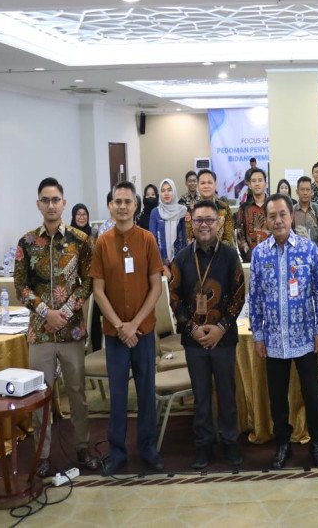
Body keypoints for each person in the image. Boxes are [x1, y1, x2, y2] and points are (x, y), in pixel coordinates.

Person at [13, 177, 100, 478]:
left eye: (56, 200)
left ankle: (83, 448)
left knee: (77, 392)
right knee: (41, 396)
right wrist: (44, 311)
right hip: (40, 332)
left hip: (71, 329)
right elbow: (20, 286)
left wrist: (63, 311)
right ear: (38, 204)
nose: (51, 205)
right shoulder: (26, 242)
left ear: (64, 203)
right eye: (45, 200)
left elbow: (88, 281)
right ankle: (43, 455)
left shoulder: (80, 240)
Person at [250, 194, 318, 470]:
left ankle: (317, 441)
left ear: (291, 216)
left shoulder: (308, 249)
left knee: (311, 393)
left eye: (282, 214)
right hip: (273, 341)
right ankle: (282, 443)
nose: (278, 220)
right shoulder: (259, 254)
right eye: (272, 216)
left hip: (305, 337)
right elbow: (255, 298)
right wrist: (258, 336)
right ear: (267, 220)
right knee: (277, 396)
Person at [92, 181, 165, 475]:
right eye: (117, 201)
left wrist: (134, 324)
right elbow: (98, 290)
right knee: (118, 395)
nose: (122, 206)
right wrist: (121, 326)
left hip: (143, 332)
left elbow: (156, 286)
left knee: (147, 393)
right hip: (115, 334)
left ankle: (148, 449)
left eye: (127, 201)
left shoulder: (147, 239)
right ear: (110, 206)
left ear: (136, 206)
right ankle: (117, 452)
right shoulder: (102, 243)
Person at [169, 199, 245, 470]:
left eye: (209, 220)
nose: (204, 225)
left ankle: (230, 443)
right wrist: (193, 329)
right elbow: (174, 299)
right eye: (199, 220)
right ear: (190, 223)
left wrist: (221, 327)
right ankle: (203, 445)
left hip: (223, 338)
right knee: (200, 396)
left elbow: (238, 295)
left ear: (219, 223)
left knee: (226, 393)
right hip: (194, 341)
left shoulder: (229, 256)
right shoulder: (181, 258)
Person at [149, 178, 187, 277]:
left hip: (180, 262)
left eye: (169, 190)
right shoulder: (155, 212)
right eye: (163, 190)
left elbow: (185, 239)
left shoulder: (182, 211)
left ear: (174, 191)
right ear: (160, 194)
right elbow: (153, 241)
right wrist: (162, 265)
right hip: (161, 263)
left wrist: (178, 263)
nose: (166, 193)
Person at [187, 169, 235, 247]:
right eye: (202, 183)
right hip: (198, 253)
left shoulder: (223, 207)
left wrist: (221, 249)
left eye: (210, 182)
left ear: (215, 184)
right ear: (197, 186)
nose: (206, 186)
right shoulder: (192, 209)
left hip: (222, 252)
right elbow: (189, 235)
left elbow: (228, 232)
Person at [235, 167, 270, 261]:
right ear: (249, 185)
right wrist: (248, 256)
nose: (257, 184)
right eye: (254, 181)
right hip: (251, 260)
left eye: (260, 180)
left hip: (273, 258)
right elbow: (240, 235)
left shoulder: (273, 206)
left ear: (265, 184)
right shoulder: (243, 208)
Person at [293, 176, 318, 245]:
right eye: (302, 190)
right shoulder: (292, 211)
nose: (305, 193)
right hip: (296, 252)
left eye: (308, 190)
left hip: (315, 252)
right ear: (297, 192)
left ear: (312, 192)